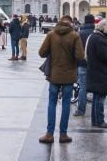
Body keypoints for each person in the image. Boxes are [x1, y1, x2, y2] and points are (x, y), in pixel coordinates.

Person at [38, 15, 85, 144]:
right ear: (71, 23)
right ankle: (63, 134)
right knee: (65, 104)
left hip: (54, 74)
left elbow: (41, 53)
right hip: (69, 75)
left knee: (52, 103)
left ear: (59, 22)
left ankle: (49, 134)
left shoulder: (51, 35)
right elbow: (80, 56)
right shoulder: (75, 36)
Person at [86, 19, 107, 128]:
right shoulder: (100, 39)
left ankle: (95, 121)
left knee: (97, 97)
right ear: (104, 28)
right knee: (100, 98)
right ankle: (100, 120)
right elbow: (106, 56)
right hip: (101, 72)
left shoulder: (94, 36)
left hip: (96, 71)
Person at [75, 14, 94, 117]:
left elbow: (76, 49)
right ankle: (95, 111)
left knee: (82, 86)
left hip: (82, 63)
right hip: (95, 64)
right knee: (96, 87)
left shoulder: (80, 33)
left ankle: (81, 110)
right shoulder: (96, 33)